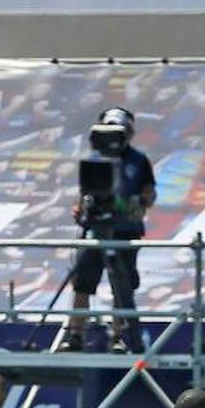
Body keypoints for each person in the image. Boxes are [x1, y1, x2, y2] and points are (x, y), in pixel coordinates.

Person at [59, 106, 156, 354]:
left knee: (121, 285)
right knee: (83, 282)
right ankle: (75, 336)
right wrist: (81, 208)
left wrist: (139, 203)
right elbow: (85, 191)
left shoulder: (138, 160)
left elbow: (149, 191)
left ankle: (119, 337)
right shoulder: (94, 157)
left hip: (125, 230)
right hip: (95, 229)